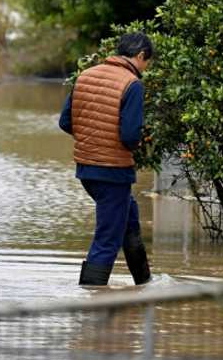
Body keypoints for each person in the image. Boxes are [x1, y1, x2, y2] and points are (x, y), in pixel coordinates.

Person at [59, 32, 153, 286]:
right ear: (141, 55)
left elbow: (65, 122)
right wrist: (141, 141)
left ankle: (145, 285)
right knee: (107, 238)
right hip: (112, 171)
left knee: (129, 222)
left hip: (87, 170)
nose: (146, 68)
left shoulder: (85, 76)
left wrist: (94, 139)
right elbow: (130, 135)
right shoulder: (132, 84)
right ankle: (91, 299)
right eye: (147, 62)